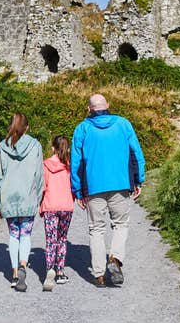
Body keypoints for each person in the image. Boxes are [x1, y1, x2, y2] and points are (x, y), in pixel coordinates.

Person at [70, 94, 146, 287]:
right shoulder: (123, 124)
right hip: (120, 184)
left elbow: (76, 162)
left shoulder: (82, 129)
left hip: (93, 186)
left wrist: (77, 190)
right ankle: (115, 258)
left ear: (89, 109)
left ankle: (99, 274)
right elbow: (136, 153)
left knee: (96, 229)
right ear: (108, 106)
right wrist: (138, 180)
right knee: (120, 224)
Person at [0, 113, 43, 292]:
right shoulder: (35, 145)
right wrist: (38, 198)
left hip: (8, 196)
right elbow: (39, 174)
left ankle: (14, 274)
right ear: (27, 127)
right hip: (27, 196)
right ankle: (23, 265)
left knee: (14, 235)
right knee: (26, 234)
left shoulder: (2, 146)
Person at [40, 135, 74, 291]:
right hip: (66, 206)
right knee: (62, 239)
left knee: (50, 240)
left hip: (51, 206)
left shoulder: (46, 164)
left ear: (53, 148)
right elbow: (74, 186)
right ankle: (60, 272)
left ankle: (49, 270)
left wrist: (40, 204)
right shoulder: (70, 166)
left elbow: (43, 186)